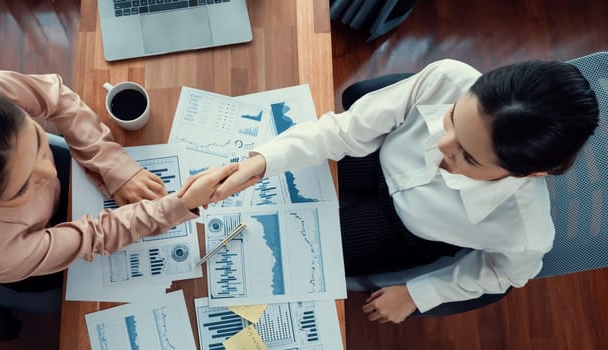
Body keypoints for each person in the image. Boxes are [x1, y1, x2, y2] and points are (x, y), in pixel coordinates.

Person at [210, 59, 600, 323]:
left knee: (295, 257)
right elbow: (344, 131)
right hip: (376, 156)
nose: (442, 147)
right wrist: (263, 160)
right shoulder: (448, 77)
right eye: (451, 119)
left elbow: (499, 277)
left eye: (467, 156)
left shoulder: (525, 233)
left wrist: (419, 294)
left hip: (404, 232)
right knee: (277, 187)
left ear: (531, 173)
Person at [0, 71, 247, 286]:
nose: (51, 170)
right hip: (31, 254)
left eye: (39, 142)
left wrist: (115, 167)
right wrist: (182, 204)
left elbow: (57, 100)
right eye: (24, 185)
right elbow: (94, 235)